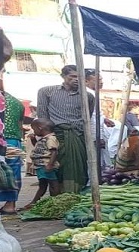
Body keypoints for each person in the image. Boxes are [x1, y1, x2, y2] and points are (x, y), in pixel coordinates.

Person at [36, 65, 95, 193]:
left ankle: (76, 194)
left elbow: (87, 119)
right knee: (57, 168)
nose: (76, 80)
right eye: (72, 76)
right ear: (63, 76)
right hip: (57, 136)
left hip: (77, 137)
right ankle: (58, 197)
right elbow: (42, 117)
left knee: (79, 167)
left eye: (79, 77)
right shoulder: (46, 92)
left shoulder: (88, 96)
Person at [0, 90, 24, 214]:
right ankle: (10, 205)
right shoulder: (17, 103)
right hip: (13, 140)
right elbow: (20, 124)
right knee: (12, 170)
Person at [24, 118, 60, 208]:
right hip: (40, 166)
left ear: (40, 128)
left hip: (46, 165)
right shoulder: (44, 139)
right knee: (42, 184)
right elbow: (40, 147)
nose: (34, 131)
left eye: (34, 128)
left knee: (52, 183)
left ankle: (56, 201)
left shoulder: (51, 138)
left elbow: (54, 152)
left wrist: (50, 164)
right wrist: (33, 140)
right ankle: (35, 202)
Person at [84, 69, 115, 168]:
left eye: (101, 79)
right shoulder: (88, 94)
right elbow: (92, 118)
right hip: (95, 134)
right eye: (97, 80)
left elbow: (95, 113)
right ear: (86, 81)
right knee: (97, 162)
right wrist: (98, 136)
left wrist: (104, 119)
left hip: (97, 132)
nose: (101, 82)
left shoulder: (93, 93)